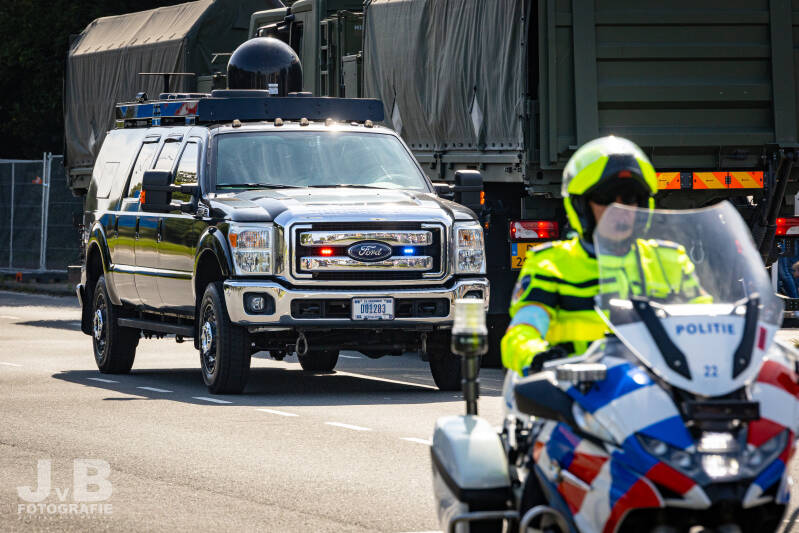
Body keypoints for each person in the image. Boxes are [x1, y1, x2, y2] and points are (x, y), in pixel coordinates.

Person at [501, 136, 706, 376]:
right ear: (581, 206)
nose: (619, 210)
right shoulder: (550, 265)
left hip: (660, 391)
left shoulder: (670, 261)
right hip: (578, 396)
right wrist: (535, 355)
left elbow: (706, 323)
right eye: (606, 200)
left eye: (629, 199)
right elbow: (523, 330)